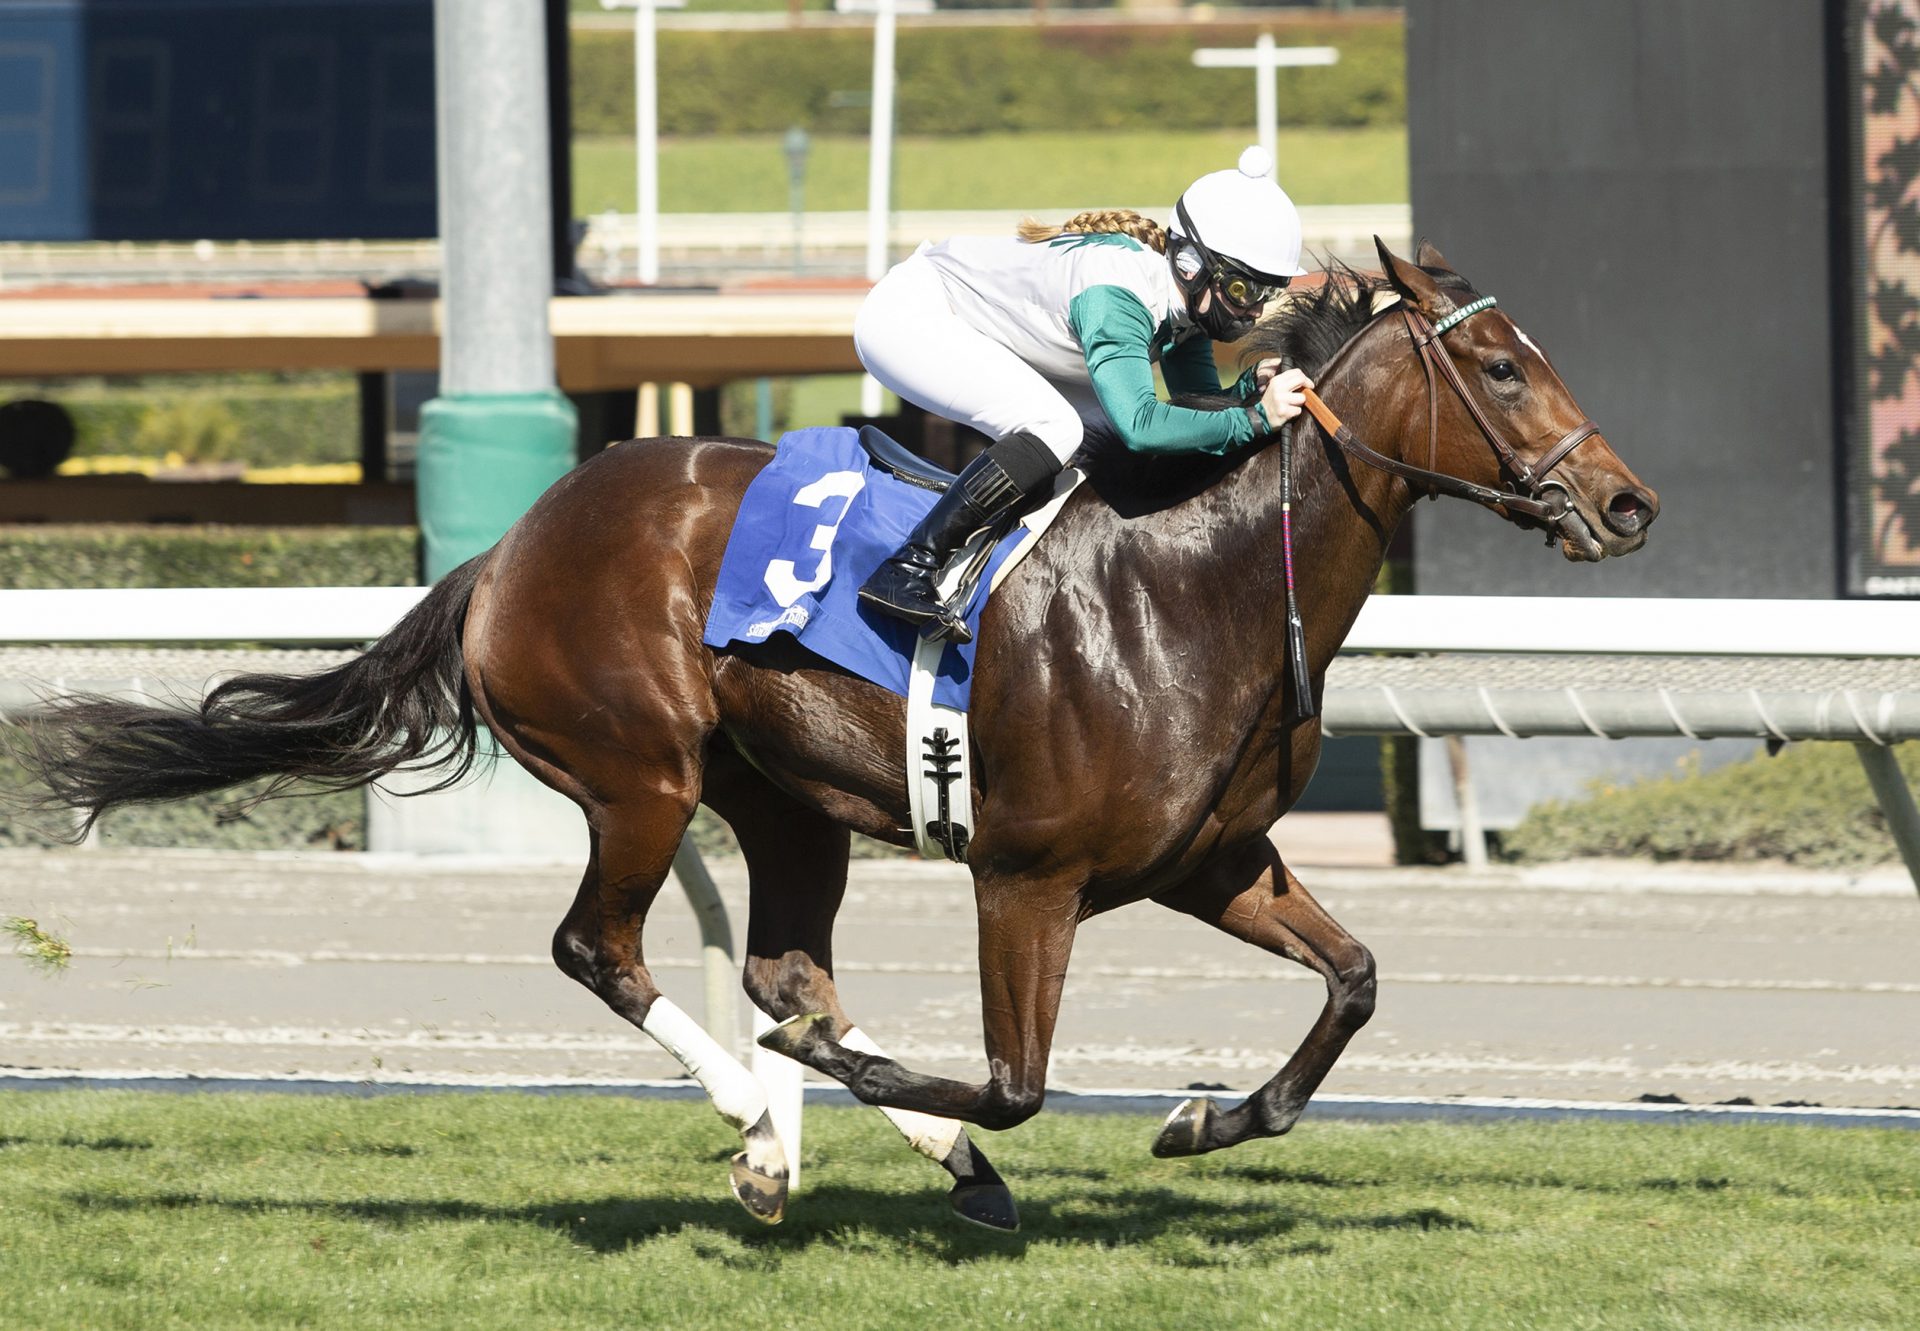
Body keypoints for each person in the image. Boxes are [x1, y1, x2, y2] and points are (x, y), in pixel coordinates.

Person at [854, 145, 1316, 633]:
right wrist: (1257, 417)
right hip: (910, 316)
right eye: (1244, 291)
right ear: (1189, 264)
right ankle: (909, 567)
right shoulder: (1117, 296)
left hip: (979, 328)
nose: (1255, 313)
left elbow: (1194, 411)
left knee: (1096, 438)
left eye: (1269, 293)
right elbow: (1142, 427)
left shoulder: (1185, 309)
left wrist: (1247, 390)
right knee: (1056, 428)